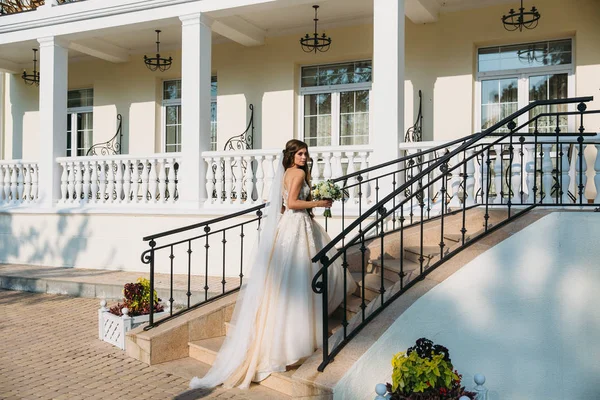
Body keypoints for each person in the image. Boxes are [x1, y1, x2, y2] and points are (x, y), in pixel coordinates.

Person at [190, 139, 357, 389]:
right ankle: (296, 340)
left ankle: (294, 336)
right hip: (296, 224)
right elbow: (291, 204)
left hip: (289, 226)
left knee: (294, 281)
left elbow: (282, 206)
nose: (303, 157)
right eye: (299, 153)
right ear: (291, 155)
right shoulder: (299, 173)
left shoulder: (286, 173)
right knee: (305, 280)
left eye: (305, 153)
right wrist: (318, 203)